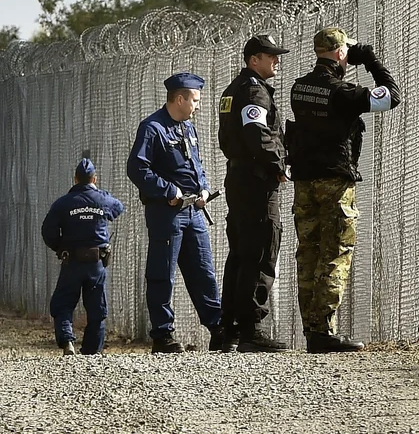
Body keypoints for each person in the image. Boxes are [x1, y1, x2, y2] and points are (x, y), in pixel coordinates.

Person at [287, 27, 400, 353]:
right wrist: (371, 60)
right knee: (335, 252)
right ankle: (323, 330)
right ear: (340, 53)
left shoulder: (299, 88)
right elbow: (391, 96)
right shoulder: (342, 92)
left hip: (304, 182)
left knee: (308, 253)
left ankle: (313, 330)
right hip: (334, 182)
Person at [127, 72, 224, 353]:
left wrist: (203, 189)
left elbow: (196, 166)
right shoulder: (153, 128)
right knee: (162, 273)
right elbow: (137, 168)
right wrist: (168, 190)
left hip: (193, 212)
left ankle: (218, 329)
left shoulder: (187, 128)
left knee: (203, 271)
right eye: (195, 100)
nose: (198, 106)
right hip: (167, 213)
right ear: (179, 99)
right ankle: (163, 334)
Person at [216, 34, 290, 353]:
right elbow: (256, 133)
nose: (276, 60)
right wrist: (278, 164)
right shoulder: (253, 90)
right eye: (270, 56)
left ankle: (230, 329)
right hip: (256, 180)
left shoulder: (234, 90)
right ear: (253, 60)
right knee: (261, 249)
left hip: (239, 176)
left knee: (241, 252)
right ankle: (252, 329)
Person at [41, 158, 126, 355]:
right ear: (94, 179)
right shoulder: (103, 199)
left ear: (75, 179)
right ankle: (91, 351)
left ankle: (67, 341)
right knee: (97, 308)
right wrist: (100, 197)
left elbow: (48, 231)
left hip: (71, 261)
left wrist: (60, 247)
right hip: (96, 263)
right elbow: (118, 207)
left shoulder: (63, 203)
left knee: (63, 303)